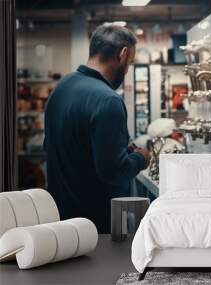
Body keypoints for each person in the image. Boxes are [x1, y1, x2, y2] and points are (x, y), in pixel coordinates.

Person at [44, 24, 150, 233]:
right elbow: (114, 171)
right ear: (123, 54)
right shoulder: (108, 100)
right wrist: (141, 159)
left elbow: (62, 145)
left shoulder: (62, 88)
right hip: (95, 227)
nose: (127, 70)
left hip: (61, 218)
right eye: (130, 63)